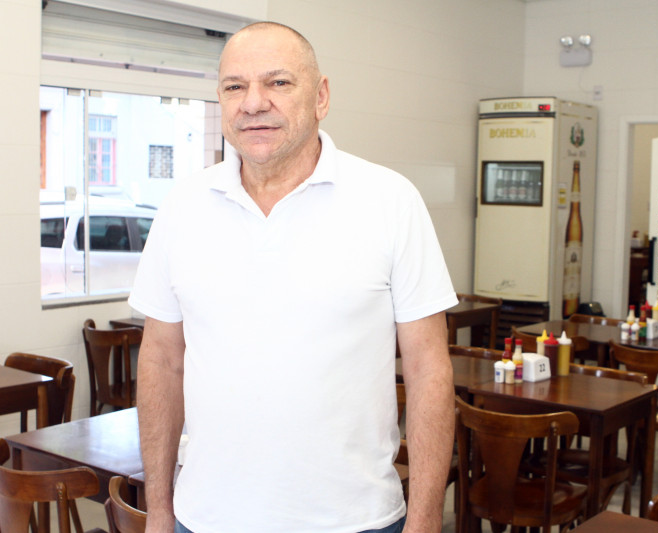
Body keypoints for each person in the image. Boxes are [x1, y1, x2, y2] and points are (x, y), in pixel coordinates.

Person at [130, 21, 456, 533]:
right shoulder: (181, 207)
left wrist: (425, 520)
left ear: (321, 95)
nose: (253, 102)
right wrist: (158, 512)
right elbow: (160, 361)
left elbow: (429, 371)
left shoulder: (390, 201)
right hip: (203, 519)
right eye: (235, 86)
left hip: (357, 520)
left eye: (278, 82)